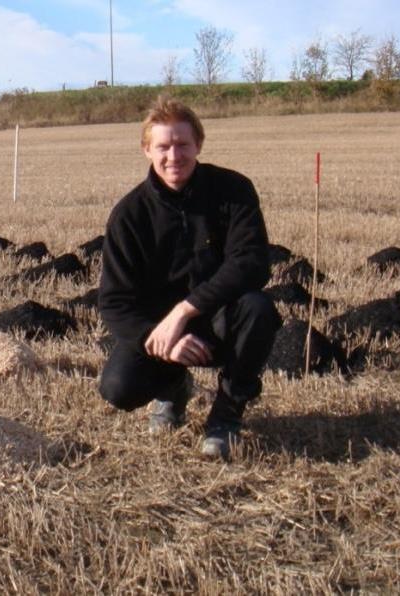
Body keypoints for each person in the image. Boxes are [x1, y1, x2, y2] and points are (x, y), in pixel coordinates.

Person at [97, 96, 281, 459]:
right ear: (146, 149)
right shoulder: (129, 215)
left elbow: (253, 262)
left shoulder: (233, 191)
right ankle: (173, 387)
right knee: (118, 388)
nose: (173, 156)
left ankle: (226, 416)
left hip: (218, 319)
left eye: (182, 144)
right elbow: (114, 302)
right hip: (159, 330)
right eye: (163, 146)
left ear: (198, 143)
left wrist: (185, 311)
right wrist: (159, 338)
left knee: (259, 310)